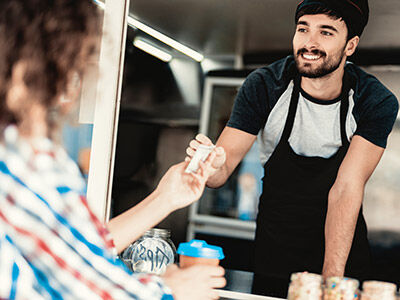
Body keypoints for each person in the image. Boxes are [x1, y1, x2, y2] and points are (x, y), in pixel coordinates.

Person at [0, 1, 225, 299]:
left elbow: (73, 251)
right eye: (75, 65)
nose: (73, 89)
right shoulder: (23, 161)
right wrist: (170, 289)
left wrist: (165, 197)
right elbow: (91, 290)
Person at [186, 0, 399, 297]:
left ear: (350, 45)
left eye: (326, 32)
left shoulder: (373, 101)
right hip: (275, 250)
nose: (309, 43)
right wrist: (206, 163)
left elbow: (346, 188)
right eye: (303, 29)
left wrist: (330, 283)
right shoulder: (265, 86)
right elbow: (220, 173)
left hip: (340, 253)